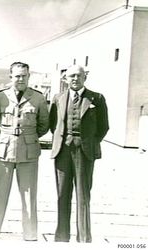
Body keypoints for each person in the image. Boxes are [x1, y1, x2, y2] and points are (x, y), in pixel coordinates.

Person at [0, 62, 49, 241]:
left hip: (28, 152)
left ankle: (30, 234)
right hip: (4, 150)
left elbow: (43, 126)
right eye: (17, 76)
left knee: (29, 194)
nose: (20, 79)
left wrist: (27, 137)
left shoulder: (38, 98)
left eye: (24, 76)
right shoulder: (0, 97)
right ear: (10, 76)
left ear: (29, 76)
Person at [49, 65, 109, 243]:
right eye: (71, 76)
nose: (75, 79)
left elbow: (104, 126)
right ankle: (61, 236)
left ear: (85, 77)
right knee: (62, 194)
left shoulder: (96, 98)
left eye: (78, 75)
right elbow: (54, 125)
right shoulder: (57, 98)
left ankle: (84, 238)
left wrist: (89, 141)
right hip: (63, 150)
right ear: (65, 79)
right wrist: (64, 139)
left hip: (84, 151)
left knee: (83, 194)